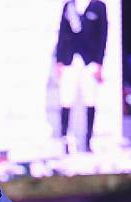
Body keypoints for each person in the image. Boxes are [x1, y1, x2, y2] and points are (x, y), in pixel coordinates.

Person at [55, 0, 108, 153]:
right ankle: (66, 140)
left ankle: (88, 141)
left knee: (90, 100)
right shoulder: (69, 6)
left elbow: (103, 35)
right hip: (69, 61)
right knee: (66, 99)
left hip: (89, 62)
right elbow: (62, 33)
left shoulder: (98, 7)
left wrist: (99, 63)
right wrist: (59, 60)